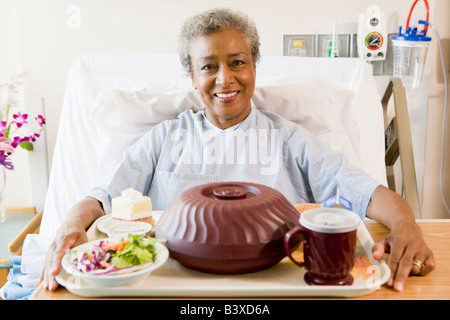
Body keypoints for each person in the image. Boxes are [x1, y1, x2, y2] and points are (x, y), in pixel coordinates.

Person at [38, 7, 435, 293]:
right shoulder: (163, 139)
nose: (224, 78)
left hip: (276, 284)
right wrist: (71, 224)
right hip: (174, 286)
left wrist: (406, 225)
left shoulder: (289, 139)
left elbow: (363, 191)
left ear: (254, 68)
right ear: (193, 77)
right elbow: (102, 199)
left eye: (237, 62)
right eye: (208, 66)